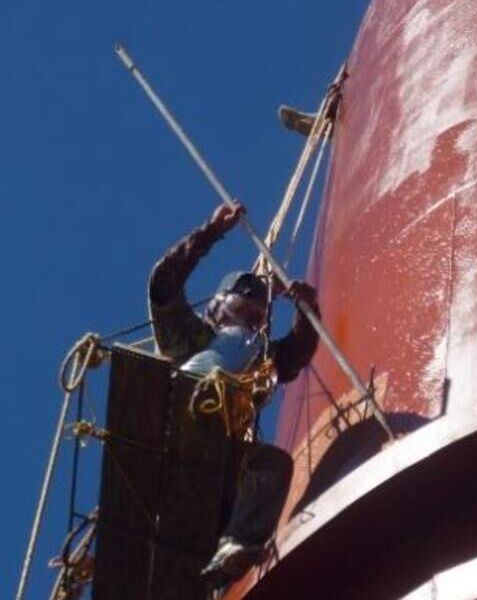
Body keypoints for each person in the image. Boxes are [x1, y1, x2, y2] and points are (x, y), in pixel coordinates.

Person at [148, 201, 319, 589]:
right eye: (246, 311)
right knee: (210, 393)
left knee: (272, 466)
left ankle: (234, 548)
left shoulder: (260, 359)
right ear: (219, 304)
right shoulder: (193, 336)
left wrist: (307, 311)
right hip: (177, 414)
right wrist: (211, 232)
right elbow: (164, 284)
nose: (254, 322)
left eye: (259, 318)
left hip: (220, 448)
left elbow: (294, 355)